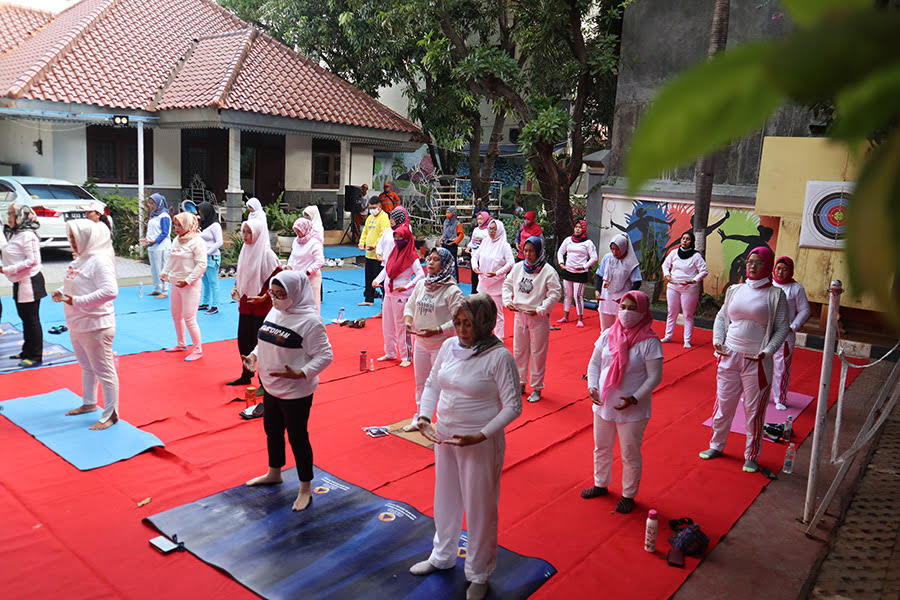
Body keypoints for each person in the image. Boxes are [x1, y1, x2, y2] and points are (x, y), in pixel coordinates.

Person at [409, 294, 522, 600]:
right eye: (458, 322)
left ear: (484, 322)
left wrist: (482, 435)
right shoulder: (449, 347)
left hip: (479, 442)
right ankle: (442, 555)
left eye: (468, 323)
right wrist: (424, 418)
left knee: (479, 507)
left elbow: (513, 406)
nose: (461, 329)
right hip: (445, 437)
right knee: (445, 499)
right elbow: (433, 384)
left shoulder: (499, 356)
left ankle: (479, 572)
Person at [243, 271, 333, 511]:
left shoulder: (310, 321)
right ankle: (274, 472)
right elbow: (266, 338)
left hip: (296, 392)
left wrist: (302, 373)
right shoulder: (276, 311)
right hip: (270, 387)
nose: (275, 299)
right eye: (273, 294)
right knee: (272, 431)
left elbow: (325, 355)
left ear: (296, 293)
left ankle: (305, 487)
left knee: (297, 437)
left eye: (281, 294)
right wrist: (253, 356)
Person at [700, 247, 789, 473]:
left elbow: (782, 328)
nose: (752, 266)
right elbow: (722, 317)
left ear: (768, 266)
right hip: (729, 355)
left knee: (754, 410)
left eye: (758, 263)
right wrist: (718, 340)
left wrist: (767, 351)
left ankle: (751, 455)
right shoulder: (735, 290)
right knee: (723, 405)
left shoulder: (776, 295)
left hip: (756, 361)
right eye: (750, 261)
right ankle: (716, 445)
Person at [582, 291, 663, 513]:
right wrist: (592, 387)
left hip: (633, 410)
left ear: (643, 312)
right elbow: (594, 364)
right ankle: (600, 483)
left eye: (632, 308)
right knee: (601, 447)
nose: (626, 313)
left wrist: (634, 398)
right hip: (604, 403)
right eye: (623, 307)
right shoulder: (608, 334)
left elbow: (655, 377)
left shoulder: (649, 342)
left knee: (629, 453)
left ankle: (629, 494)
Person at [52, 220, 120, 430]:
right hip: (77, 323)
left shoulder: (100, 261)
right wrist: (62, 292)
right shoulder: (81, 259)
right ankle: (89, 403)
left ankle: (111, 414)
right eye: (71, 237)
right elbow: (75, 284)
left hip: (96, 325)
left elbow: (110, 291)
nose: (72, 242)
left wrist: (76, 301)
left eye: (75, 237)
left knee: (104, 370)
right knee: (87, 367)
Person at [402, 247, 465, 431]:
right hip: (421, 343)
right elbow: (410, 305)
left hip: (441, 346)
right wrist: (408, 320)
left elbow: (459, 320)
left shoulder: (452, 291)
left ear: (445, 264)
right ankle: (420, 418)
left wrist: (437, 330)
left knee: (441, 384)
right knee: (421, 383)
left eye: (436, 260)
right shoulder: (422, 284)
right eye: (429, 258)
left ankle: (446, 422)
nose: (430, 262)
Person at [503, 236, 562, 403]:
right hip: (520, 315)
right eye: (526, 251)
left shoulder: (548, 271)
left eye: (532, 251)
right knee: (519, 351)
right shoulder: (518, 268)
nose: (528, 254)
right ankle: (520, 382)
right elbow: (507, 285)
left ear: (539, 251)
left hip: (538, 318)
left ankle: (537, 387)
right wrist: (508, 301)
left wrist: (541, 309)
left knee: (538, 353)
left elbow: (555, 293)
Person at [228, 219, 281, 386]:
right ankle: (246, 374)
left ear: (258, 234)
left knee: (262, 344)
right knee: (244, 341)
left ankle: (264, 382)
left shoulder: (267, 255)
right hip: (246, 303)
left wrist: (265, 296)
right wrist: (236, 287)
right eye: (243, 232)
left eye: (249, 232)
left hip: (261, 307)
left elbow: (277, 279)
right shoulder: (245, 250)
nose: (245, 236)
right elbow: (242, 274)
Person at [0, 204, 45, 367]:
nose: (9, 218)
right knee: (24, 317)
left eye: (12, 215)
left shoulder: (28, 236)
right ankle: (27, 350)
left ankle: (36, 355)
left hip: (30, 281)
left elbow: (32, 261)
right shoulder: (16, 234)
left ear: (21, 217)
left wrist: (7, 269)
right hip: (19, 281)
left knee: (32, 319)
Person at [373, 220, 423, 366]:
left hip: (402, 295)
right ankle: (390, 352)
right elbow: (386, 269)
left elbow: (421, 275)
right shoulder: (393, 253)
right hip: (389, 292)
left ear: (406, 239)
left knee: (402, 325)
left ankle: (406, 356)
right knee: (387, 324)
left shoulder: (411, 257)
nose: (397, 240)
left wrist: (407, 286)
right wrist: (377, 280)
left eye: (400, 238)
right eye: (395, 238)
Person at [160, 213, 207, 361]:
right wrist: (165, 272)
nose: (176, 228)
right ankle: (181, 343)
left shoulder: (197, 242)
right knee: (176, 315)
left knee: (189, 318)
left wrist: (188, 280)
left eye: (179, 225)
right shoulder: (177, 240)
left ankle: (198, 350)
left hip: (190, 285)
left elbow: (202, 265)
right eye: (175, 225)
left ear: (188, 225)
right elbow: (171, 258)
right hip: (176, 283)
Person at [771, 256, 811, 410]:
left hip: (785, 334)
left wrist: (793, 326)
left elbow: (804, 310)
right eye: (778, 268)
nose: (780, 272)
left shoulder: (796, 288)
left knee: (781, 367)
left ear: (791, 271)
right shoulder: (768, 284)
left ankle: (780, 398)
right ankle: (758, 394)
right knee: (759, 365)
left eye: (785, 269)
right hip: (766, 332)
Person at [661, 231, 709, 348]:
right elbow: (665, 265)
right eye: (683, 238)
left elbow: (704, 271)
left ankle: (687, 340)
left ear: (691, 242)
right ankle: (668, 336)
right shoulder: (674, 253)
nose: (684, 241)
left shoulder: (696, 256)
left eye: (687, 239)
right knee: (672, 312)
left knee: (687, 315)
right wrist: (667, 275)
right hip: (673, 286)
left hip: (689, 289)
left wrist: (694, 280)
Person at [472, 219, 514, 339]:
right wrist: (475, 267)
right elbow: (475, 256)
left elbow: (511, 263)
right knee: (481, 310)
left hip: (497, 284)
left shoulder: (504, 246)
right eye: (490, 229)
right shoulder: (485, 242)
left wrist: (497, 273)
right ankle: (482, 335)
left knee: (497, 313)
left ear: (499, 230)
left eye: (494, 229)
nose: (491, 231)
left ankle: (499, 338)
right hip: (483, 281)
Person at [595, 234, 642, 331]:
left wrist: (627, 297)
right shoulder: (607, 258)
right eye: (612, 249)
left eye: (617, 249)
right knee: (605, 329)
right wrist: (597, 290)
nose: (614, 252)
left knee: (620, 329)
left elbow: (637, 282)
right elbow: (599, 275)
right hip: (606, 295)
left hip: (621, 298)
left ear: (624, 248)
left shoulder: (631, 262)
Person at [556, 220, 598, 327]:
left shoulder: (588, 243)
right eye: (576, 227)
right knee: (567, 295)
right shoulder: (568, 240)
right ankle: (565, 316)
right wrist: (561, 263)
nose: (577, 229)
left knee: (578, 296)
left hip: (580, 273)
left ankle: (580, 319)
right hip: (568, 271)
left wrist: (584, 266)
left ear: (583, 229)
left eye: (580, 227)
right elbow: (560, 252)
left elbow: (594, 258)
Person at [286, 218, 325, 311]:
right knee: (297, 302)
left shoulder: (314, 242)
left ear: (305, 229)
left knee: (312, 303)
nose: (297, 233)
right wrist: (289, 266)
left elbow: (320, 261)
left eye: (299, 231)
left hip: (311, 277)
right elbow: (293, 256)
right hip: (297, 276)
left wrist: (308, 271)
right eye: (296, 231)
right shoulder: (296, 241)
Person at [358, 196, 390, 306]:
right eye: (370, 208)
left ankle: (386, 300)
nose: (372, 210)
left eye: (374, 207)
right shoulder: (370, 218)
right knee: (369, 278)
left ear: (380, 207)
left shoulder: (384, 218)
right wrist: (361, 242)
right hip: (369, 253)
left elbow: (383, 235)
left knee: (381, 279)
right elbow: (365, 232)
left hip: (379, 255)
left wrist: (375, 246)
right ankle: (369, 299)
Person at [140, 193, 171, 298]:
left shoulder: (164, 216)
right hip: (152, 246)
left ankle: (164, 290)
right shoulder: (153, 215)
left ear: (159, 203)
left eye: (153, 203)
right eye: (150, 203)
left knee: (162, 268)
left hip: (162, 247)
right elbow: (152, 231)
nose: (151, 206)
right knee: (154, 269)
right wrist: (147, 240)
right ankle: (157, 288)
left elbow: (165, 232)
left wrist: (155, 241)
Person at [197, 201, 222, 315]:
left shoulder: (215, 225)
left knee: (213, 282)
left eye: (201, 212)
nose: (200, 214)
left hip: (212, 257)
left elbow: (219, 242)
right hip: (203, 256)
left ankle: (215, 305)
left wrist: (208, 252)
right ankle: (205, 302)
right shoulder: (204, 225)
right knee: (205, 282)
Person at [466, 211, 491, 293]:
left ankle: (481, 293)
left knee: (482, 276)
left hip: (483, 257)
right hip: (474, 255)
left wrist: (482, 240)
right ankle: (473, 292)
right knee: (474, 276)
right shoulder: (476, 230)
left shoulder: (488, 231)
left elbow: (490, 242)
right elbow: (472, 241)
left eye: (481, 219)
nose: (479, 221)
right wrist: (468, 248)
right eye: (478, 219)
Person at [440, 207, 464, 282]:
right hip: (445, 243)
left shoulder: (457, 224)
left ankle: (454, 279)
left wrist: (455, 242)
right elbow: (444, 232)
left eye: (449, 212)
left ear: (453, 213)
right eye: (446, 212)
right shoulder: (445, 222)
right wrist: (441, 238)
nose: (447, 214)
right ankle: (444, 277)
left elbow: (461, 235)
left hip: (452, 244)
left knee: (453, 262)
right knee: (443, 261)